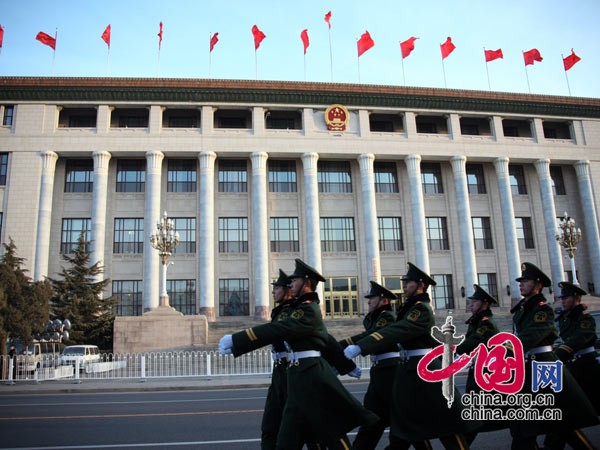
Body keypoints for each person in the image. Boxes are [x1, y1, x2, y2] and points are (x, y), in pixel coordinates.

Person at [219, 258, 379, 450]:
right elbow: (324, 339)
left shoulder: (308, 310)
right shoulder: (300, 309)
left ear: (307, 282)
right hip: (296, 375)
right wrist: (346, 364)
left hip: (310, 375)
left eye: (294, 281)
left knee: (328, 430)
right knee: (291, 434)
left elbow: (285, 331)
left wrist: (238, 340)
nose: (291, 284)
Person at [343, 262, 475, 449]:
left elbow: (400, 329)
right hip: (410, 370)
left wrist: (361, 346)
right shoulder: (410, 308)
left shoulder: (421, 309)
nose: (404, 285)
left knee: (447, 425)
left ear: (420, 284)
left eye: (408, 282)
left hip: (426, 371)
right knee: (405, 425)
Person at [510, 262, 598, 449]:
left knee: (560, 419)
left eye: (526, 281)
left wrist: (508, 348)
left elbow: (533, 334)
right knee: (526, 422)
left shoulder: (542, 309)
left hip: (545, 366)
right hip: (529, 366)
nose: (521, 284)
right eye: (521, 281)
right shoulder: (524, 309)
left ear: (538, 284)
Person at [543, 281, 600, 449]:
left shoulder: (585, 318)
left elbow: (579, 338)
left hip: (587, 367)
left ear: (576, 298)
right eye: (562, 298)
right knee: (564, 411)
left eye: (566, 298)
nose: (562, 301)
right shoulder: (565, 318)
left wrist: (558, 354)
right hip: (573, 367)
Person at [455, 284, 505, 446]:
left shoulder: (485, 323)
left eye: (474, 302)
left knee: (475, 414)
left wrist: (452, 351)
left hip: (487, 375)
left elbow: (473, 341)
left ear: (484, 303)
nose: (470, 305)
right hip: (480, 372)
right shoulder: (477, 321)